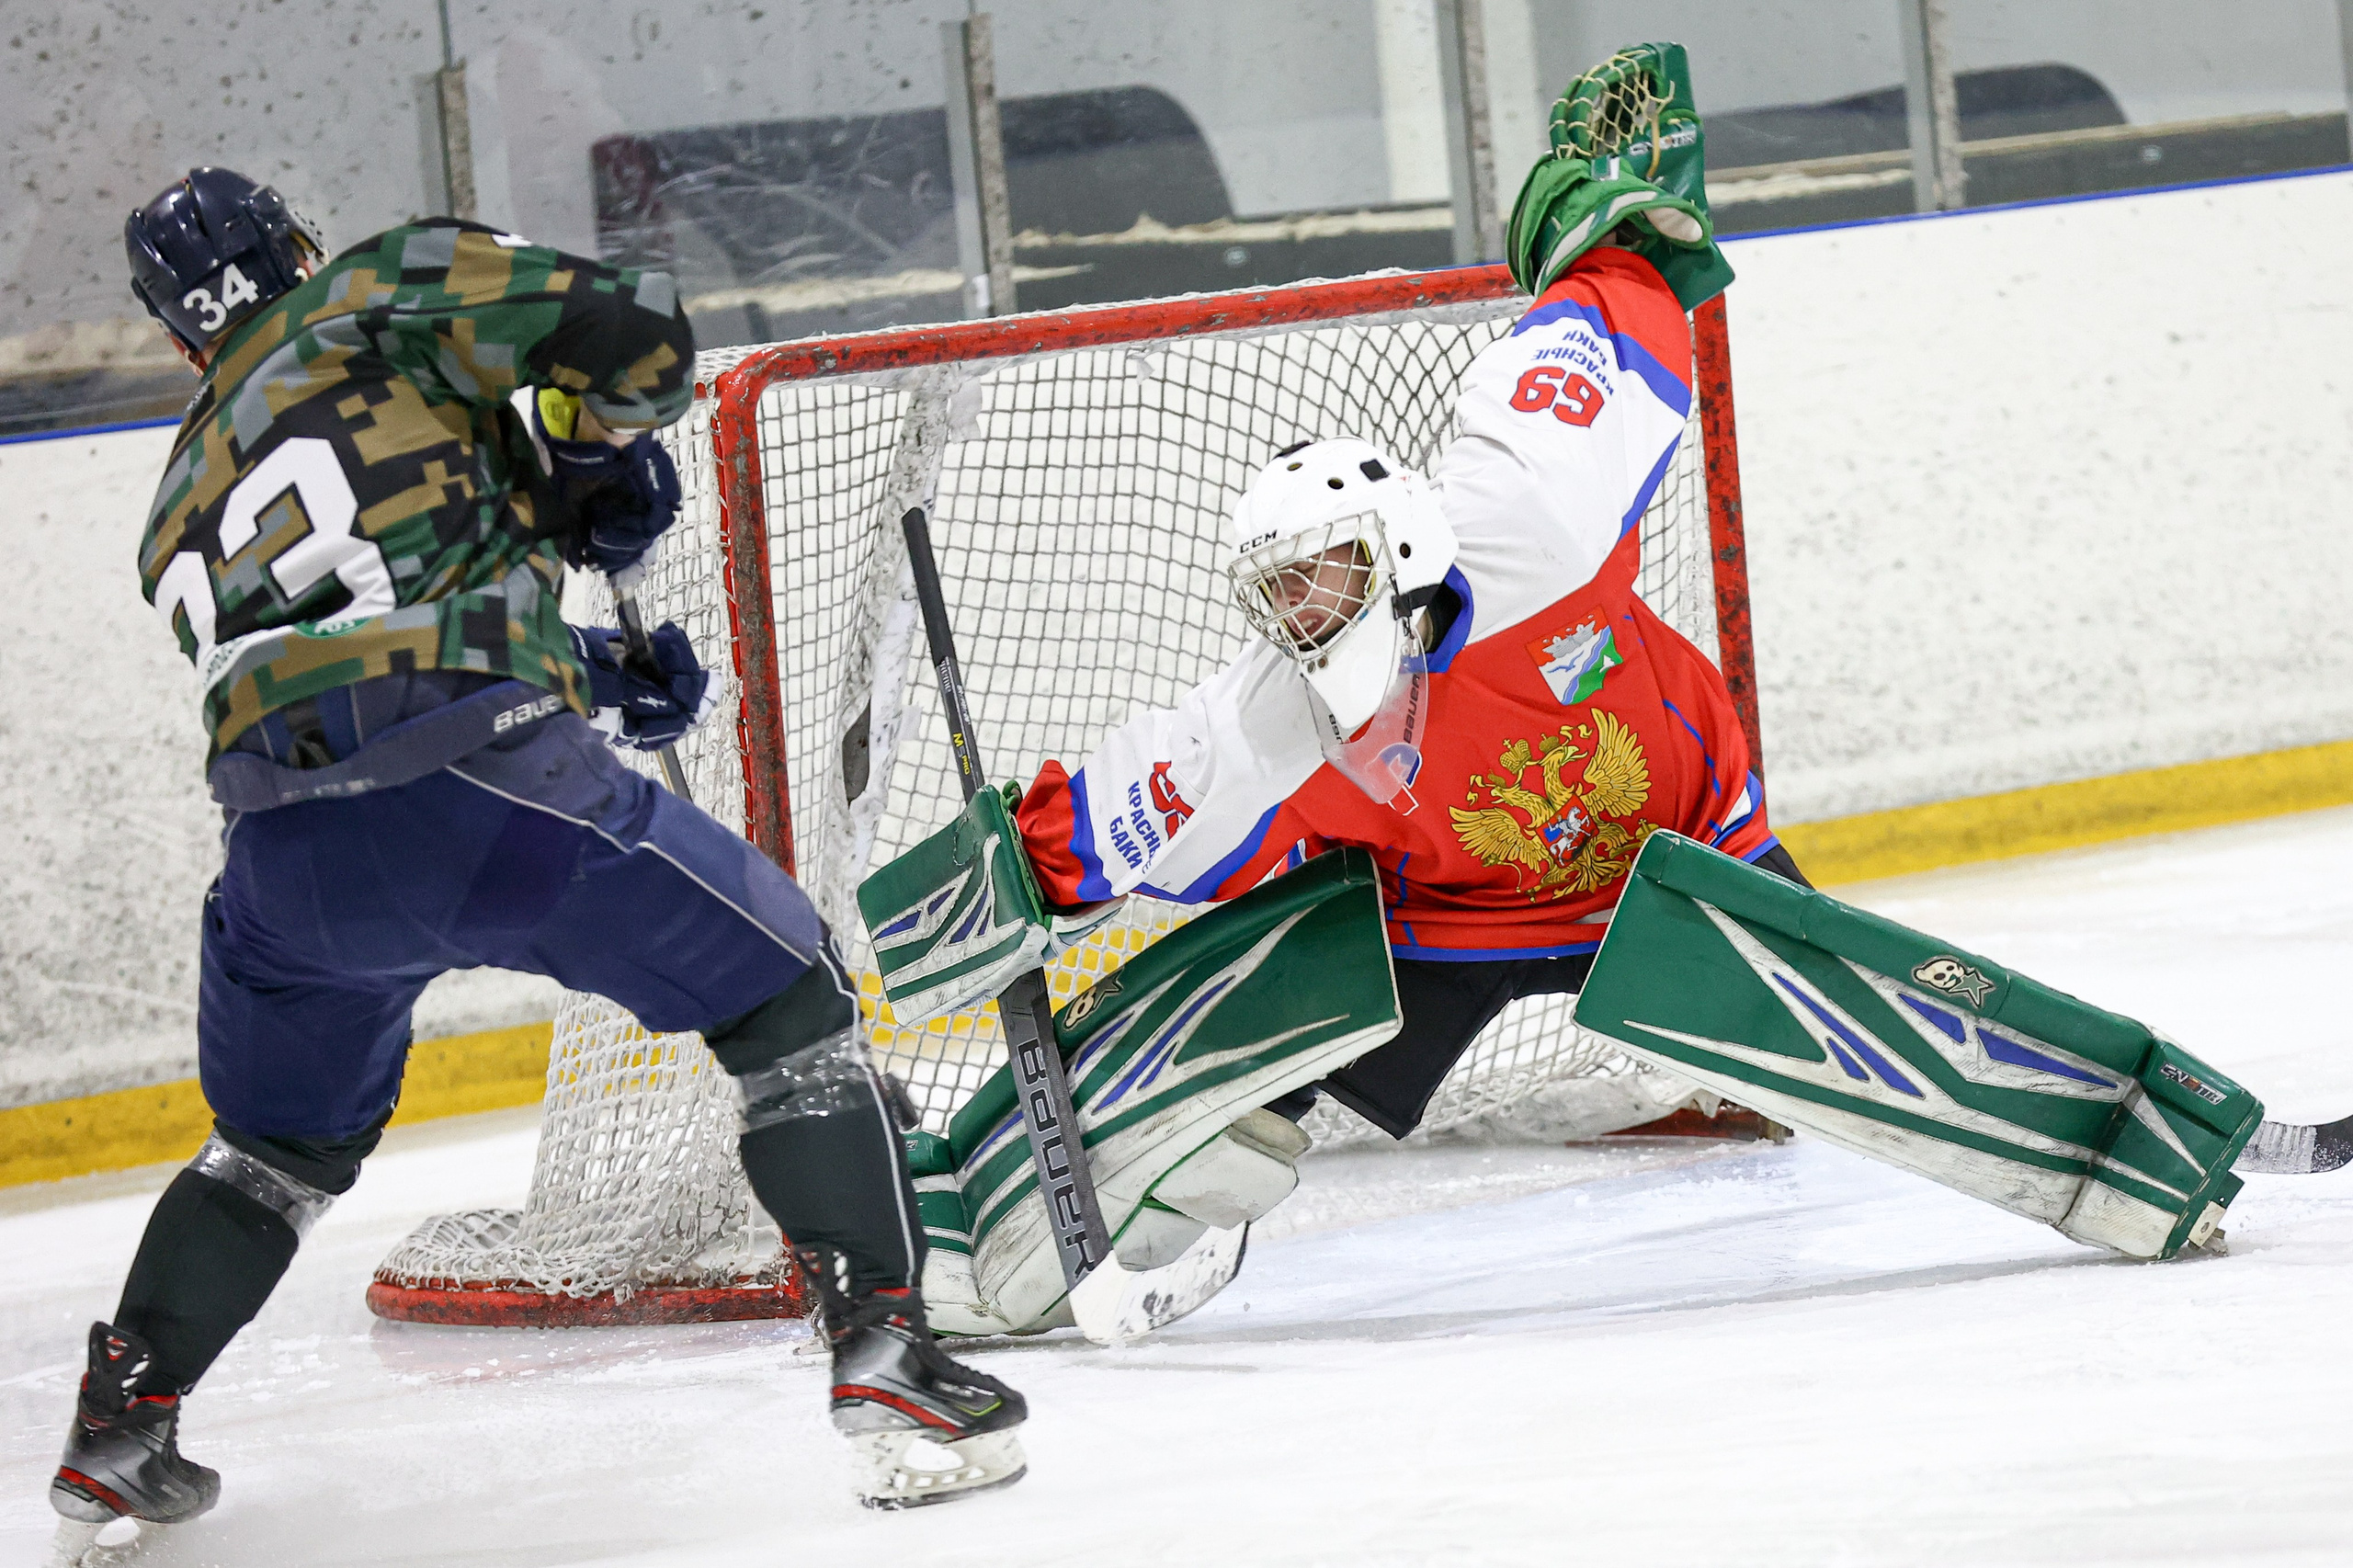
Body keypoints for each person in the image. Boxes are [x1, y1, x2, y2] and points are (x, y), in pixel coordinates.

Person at [51, 169, 1025, 1538]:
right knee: (788, 999)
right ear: (300, 245)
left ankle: (119, 1425)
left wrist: (589, 669)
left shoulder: (173, 499)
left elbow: (351, 643)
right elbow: (639, 333)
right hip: (492, 795)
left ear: (176, 336)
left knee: (269, 1149)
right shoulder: (372, 290)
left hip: (287, 867)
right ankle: (886, 1355)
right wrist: (587, 443)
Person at [1003, 53, 1800, 1145]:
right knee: (1262, 1054)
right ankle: (1222, 1117)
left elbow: (1616, 323)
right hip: (1446, 924)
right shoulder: (1280, 716)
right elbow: (1144, 797)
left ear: (1395, 537)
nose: (1304, 611)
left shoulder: (1531, 515)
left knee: (1812, 1033)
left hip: (1677, 836)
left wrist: (1614, 237)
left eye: (1322, 570)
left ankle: (1766, 1043)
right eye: (1280, 590)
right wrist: (1017, 864)